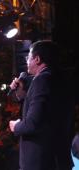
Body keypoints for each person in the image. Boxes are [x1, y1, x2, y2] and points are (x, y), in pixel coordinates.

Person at [9, 40, 74, 170]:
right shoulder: (60, 79)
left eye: (29, 57)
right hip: (56, 158)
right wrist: (21, 93)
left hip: (39, 161)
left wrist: (16, 126)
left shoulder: (42, 80)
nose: (27, 61)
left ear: (37, 59)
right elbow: (47, 115)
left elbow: (33, 123)